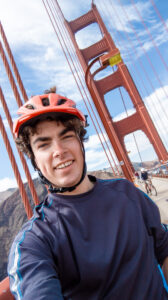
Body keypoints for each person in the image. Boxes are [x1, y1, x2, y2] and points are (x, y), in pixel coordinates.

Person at [8, 88, 168, 300]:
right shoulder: (34, 240)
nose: (59, 150)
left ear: (80, 142)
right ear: (34, 159)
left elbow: (164, 251)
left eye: (66, 137)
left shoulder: (128, 193)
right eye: (44, 144)